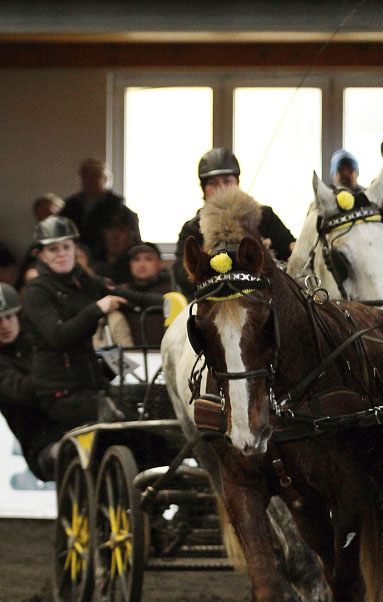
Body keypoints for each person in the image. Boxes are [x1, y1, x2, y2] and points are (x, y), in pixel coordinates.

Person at [23, 216, 161, 428]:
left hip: (93, 385)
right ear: (40, 254)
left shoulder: (83, 280)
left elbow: (129, 297)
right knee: (131, 425)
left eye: (66, 247)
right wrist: (97, 309)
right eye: (53, 249)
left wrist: (174, 303)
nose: (61, 254)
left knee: (149, 413)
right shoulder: (37, 291)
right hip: (61, 392)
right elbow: (58, 337)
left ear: (74, 249)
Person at [174, 147, 296, 299]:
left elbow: (291, 250)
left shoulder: (264, 216)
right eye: (213, 183)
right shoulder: (192, 228)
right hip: (213, 300)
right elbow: (182, 273)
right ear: (203, 189)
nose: (221, 188)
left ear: (237, 183)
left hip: (267, 300)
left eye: (227, 181)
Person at [0, 283, 64, 480]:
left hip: (75, 425)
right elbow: (18, 390)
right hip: (42, 444)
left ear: (18, 315)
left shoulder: (37, 342)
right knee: (69, 453)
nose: (4, 325)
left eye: (8, 317)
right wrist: (58, 375)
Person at [60, 158, 140, 259]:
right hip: (74, 259)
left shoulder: (119, 209)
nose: (91, 181)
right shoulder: (70, 207)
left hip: (109, 261)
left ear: (105, 179)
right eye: (87, 176)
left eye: (95, 176)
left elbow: (135, 243)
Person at [119, 242, 172, 346]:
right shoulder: (121, 293)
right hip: (129, 357)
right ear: (130, 264)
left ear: (160, 263)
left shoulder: (172, 292)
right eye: (136, 259)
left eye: (148, 259)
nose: (141, 264)